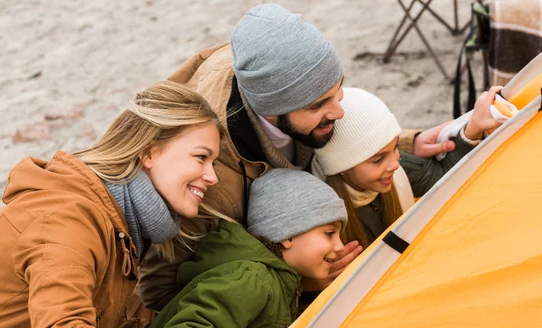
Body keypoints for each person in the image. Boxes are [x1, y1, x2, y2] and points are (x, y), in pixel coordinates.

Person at [0, 81, 314, 328]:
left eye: (214, 163)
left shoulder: (125, 227)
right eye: (201, 158)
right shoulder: (67, 217)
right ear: (148, 151)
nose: (211, 177)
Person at [141, 3, 455, 311]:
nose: (339, 111)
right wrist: (298, 281)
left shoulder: (267, 58)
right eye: (317, 105)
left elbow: (339, 125)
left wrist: (407, 142)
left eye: (339, 89)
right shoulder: (208, 176)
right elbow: (161, 292)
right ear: (270, 110)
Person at [127, 169, 347, 328]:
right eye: (329, 233)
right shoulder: (252, 278)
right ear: (288, 235)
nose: (340, 246)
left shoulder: (283, 282)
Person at [311, 86, 503, 248]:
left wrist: (472, 131)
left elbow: (443, 178)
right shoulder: (317, 217)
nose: (395, 164)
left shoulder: (399, 171)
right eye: (378, 160)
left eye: (395, 147)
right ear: (341, 167)